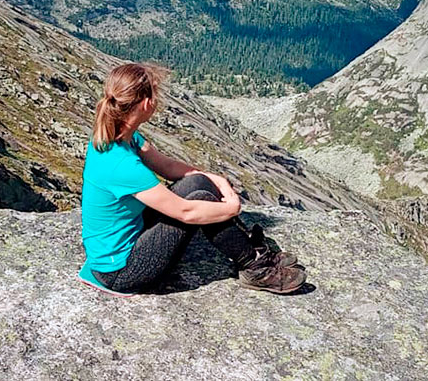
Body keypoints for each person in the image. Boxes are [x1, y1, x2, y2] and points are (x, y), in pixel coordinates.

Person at [77, 62, 306, 296]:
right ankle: (254, 267)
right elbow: (186, 212)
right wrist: (231, 208)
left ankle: (249, 250)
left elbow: (167, 166)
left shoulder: (120, 136)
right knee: (201, 199)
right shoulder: (120, 165)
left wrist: (214, 178)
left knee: (199, 183)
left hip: (128, 240)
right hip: (120, 272)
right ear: (146, 103)